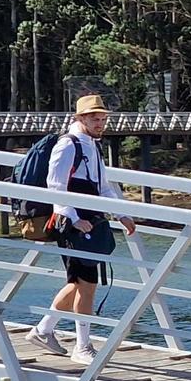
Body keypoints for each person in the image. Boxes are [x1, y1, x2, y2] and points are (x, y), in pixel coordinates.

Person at [25, 95, 136, 363]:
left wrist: (123, 214)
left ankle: (43, 330)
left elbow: (104, 186)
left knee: (78, 283)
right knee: (87, 285)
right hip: (73, 223)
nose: (100, 123)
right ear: (80, 118)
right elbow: (56, 186)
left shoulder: (92, 145)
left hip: (91, 219)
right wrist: (74, 218)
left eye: (103, 119)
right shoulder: (68, 144)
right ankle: (82, 347)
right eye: (94, 119)